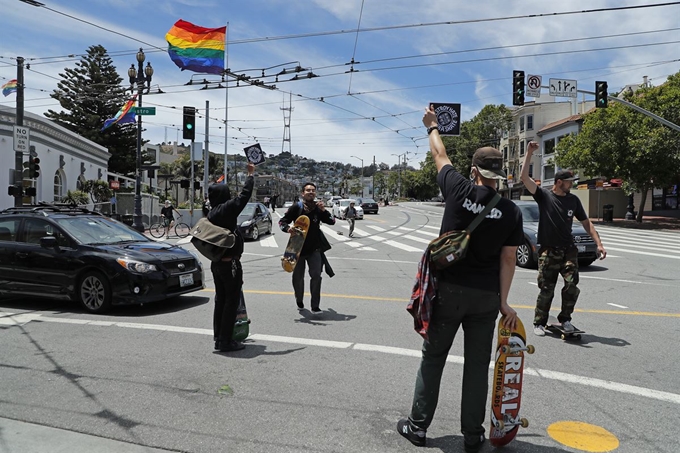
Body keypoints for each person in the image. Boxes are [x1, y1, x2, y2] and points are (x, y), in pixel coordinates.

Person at [397, 105, 523, 452]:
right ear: (500, 174)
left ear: (473, 170)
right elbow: (509, 258)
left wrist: (432, 126)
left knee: (433, 359)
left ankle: (418, 427)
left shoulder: (457, 188)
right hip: (485, 297)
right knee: (477, 367)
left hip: (449, 291)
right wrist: (503, 301)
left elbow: (439, 154)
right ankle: (472, 435)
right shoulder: (511, 211)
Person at [519, 141, 607, 336]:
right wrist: (529, 152)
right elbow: (524, 177)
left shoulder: (573, 200)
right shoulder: (543, 196)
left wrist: (599, 244)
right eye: (569, 182)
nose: (572, 184)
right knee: (546, 289)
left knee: (571, 285)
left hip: (568, 249)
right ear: (560, 182)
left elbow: (586, 223)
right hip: (548, 251)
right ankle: (539, 323)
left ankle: (565, 319)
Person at [207, 162, 255, 352]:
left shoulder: (212, 211)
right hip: (230, 265)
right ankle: (226, 341)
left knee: (221, 300)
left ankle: (219, 336)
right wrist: (250, 176)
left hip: (217, 264)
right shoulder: (226, 209)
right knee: (230, 302)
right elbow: (244, 197)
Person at [279, 182, 335, 313]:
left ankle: (315, 305)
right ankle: (299, 298)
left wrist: (324, 211)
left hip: (314, 249)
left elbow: (332, 221)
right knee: (297, 278)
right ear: (302, 193)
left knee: (316, 276)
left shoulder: (318, 208)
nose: (311, 192)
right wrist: (288, 229)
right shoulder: (296, 208)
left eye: (313, 190)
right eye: (308, 190)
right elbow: (282, 221)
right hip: (297, 249)